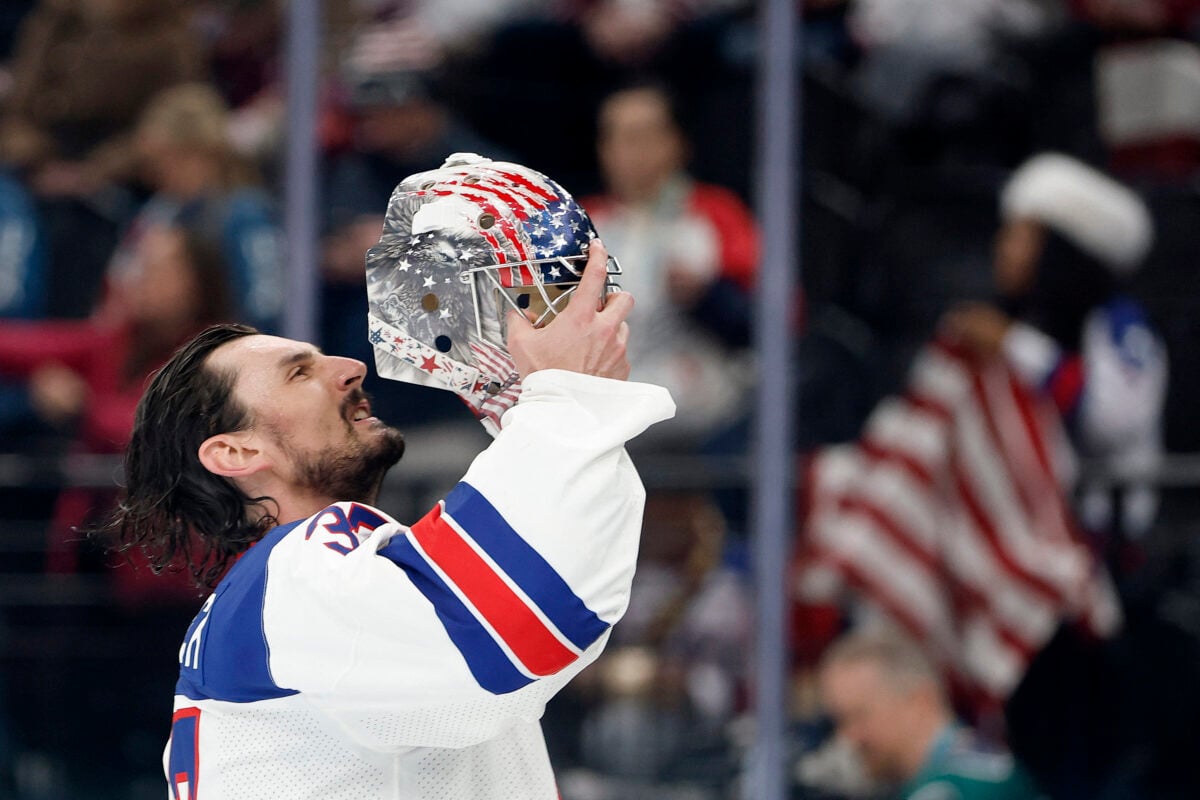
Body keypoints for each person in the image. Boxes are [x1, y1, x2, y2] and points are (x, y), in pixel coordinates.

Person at [91, 209, 675, 798]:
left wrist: (544, 419)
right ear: (237, 452)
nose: (351, 368)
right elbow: (512, 637)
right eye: (299, 373)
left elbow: (559, 615)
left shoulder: (281, 596)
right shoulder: (302, 570)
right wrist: (565, 399)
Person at [942, 152, 1167, 546]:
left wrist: (1013, 345)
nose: (1003, 249)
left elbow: (1110, 421)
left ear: (1059, 251)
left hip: (1108, 544)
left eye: (1019, 236)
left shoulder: (1120, 323)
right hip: (1024, 533)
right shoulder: (1027, 324)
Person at [583, 82, 758, 450]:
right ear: (604, 150)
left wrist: (708, 296)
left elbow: (775, 319)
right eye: (622, 137)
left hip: (704, 395)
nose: (635, 151)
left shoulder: (717, 214)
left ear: (678, 143)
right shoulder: (580, 224)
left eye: (646, 135)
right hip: (604, 397)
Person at [817, 629, 1045, 800]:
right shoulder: (988, 765)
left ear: (920, 702)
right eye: (841, 721)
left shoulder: (944, 792)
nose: (848, 736)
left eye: (859, 716)